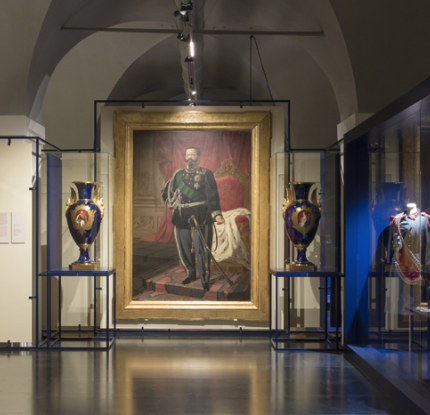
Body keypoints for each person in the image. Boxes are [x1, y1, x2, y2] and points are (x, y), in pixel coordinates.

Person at [162, 147, 224, 291]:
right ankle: (190, 274)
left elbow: (212, 194)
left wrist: (216, 214)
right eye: (188, 154)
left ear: (198, 156)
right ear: (185, 157)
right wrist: (172, 204)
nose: (190, 157)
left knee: (201, 248)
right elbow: (166, 192)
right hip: (181, 215)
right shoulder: (178, 174)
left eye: (193, 155)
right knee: (184, 248)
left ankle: (204, 278)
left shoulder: (206, 173)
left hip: (200, 214)